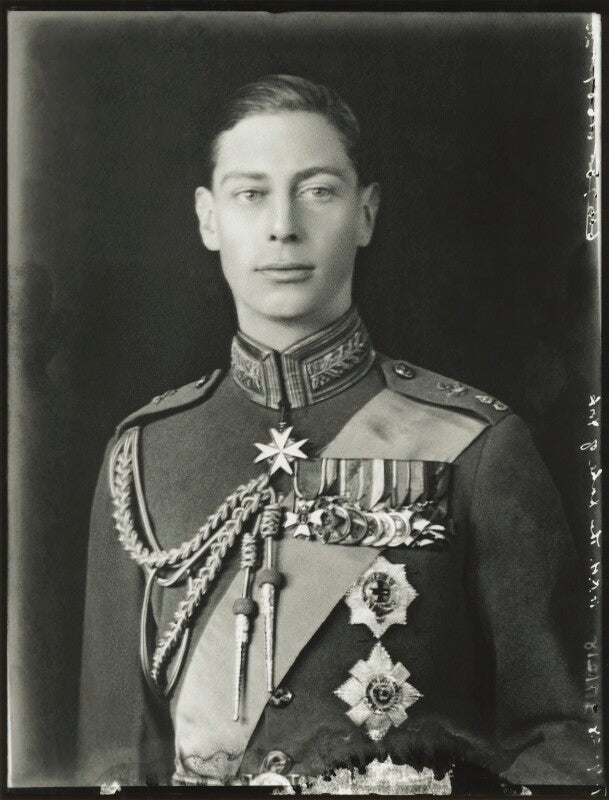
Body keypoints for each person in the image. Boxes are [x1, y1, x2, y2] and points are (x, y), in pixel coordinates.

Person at [78, 74, 592, 790]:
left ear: (366, 213)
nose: (282, 226)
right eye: (250, 193)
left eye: (317, 190)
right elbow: (111, 763)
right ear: (207, 219)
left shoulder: (480, 443)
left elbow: (562, 739)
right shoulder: (141, 456)